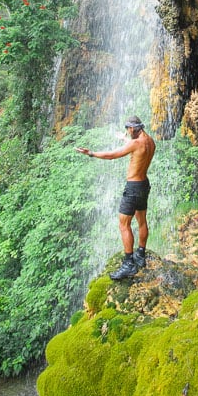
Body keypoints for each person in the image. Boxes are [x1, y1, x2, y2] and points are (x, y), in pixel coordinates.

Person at [76, 116, 156, 280]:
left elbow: (112, 155)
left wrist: (91, 153)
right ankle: (140, 254)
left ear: (132, 128)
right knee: (142, 220)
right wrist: (124, 138)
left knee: (123, 224)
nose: (128, 132)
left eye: (128, 130)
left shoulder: (135, 143)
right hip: (144, 185)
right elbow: (136, 146)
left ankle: (129, 264)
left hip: (133, 187)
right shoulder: (150, 141)